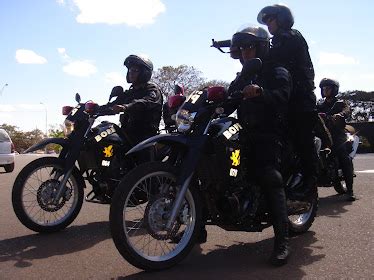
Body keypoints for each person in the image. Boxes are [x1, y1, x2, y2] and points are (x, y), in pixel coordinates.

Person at [228, 25, 292, 266]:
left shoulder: (277, 70)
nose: (245, 52)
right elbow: (231, 95)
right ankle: (196, 230)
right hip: (245, 133)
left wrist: (261, 92)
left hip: (270, 133)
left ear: (263, 47)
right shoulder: (243, 75)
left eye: (250, 46)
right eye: (242, 48)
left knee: (269, 176)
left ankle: (282, 242)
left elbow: (283, 95)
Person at [257, 4, 318, 201]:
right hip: (285, 98)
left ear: (282, 19)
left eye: (270, 20)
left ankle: (310, 180)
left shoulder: (290, 37)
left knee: (302, 140)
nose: (268, 25)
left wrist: (246, 45)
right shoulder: (278, 41)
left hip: (300, 100)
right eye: (266, 22)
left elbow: (270, 56)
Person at [109, 54, 163, 145]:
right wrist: (94, 109)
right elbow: (114, 105)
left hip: (145, 138)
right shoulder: (130, 92)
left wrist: (125, 106)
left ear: (144, 73)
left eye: (135, 70)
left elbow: (145, 102)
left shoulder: (152, 90)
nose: (131, 73)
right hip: (127, 135)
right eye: (130, 70)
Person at [317, 78, 355, 201]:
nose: (325, 90)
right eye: (323, 88)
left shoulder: (340, 103)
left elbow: (347, 110)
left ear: (334, 90)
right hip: (323, 135)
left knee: (344, 157)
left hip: (338, 135)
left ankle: (350, 190)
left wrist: (341, 114)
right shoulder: (320, 105)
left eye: (328, 88)